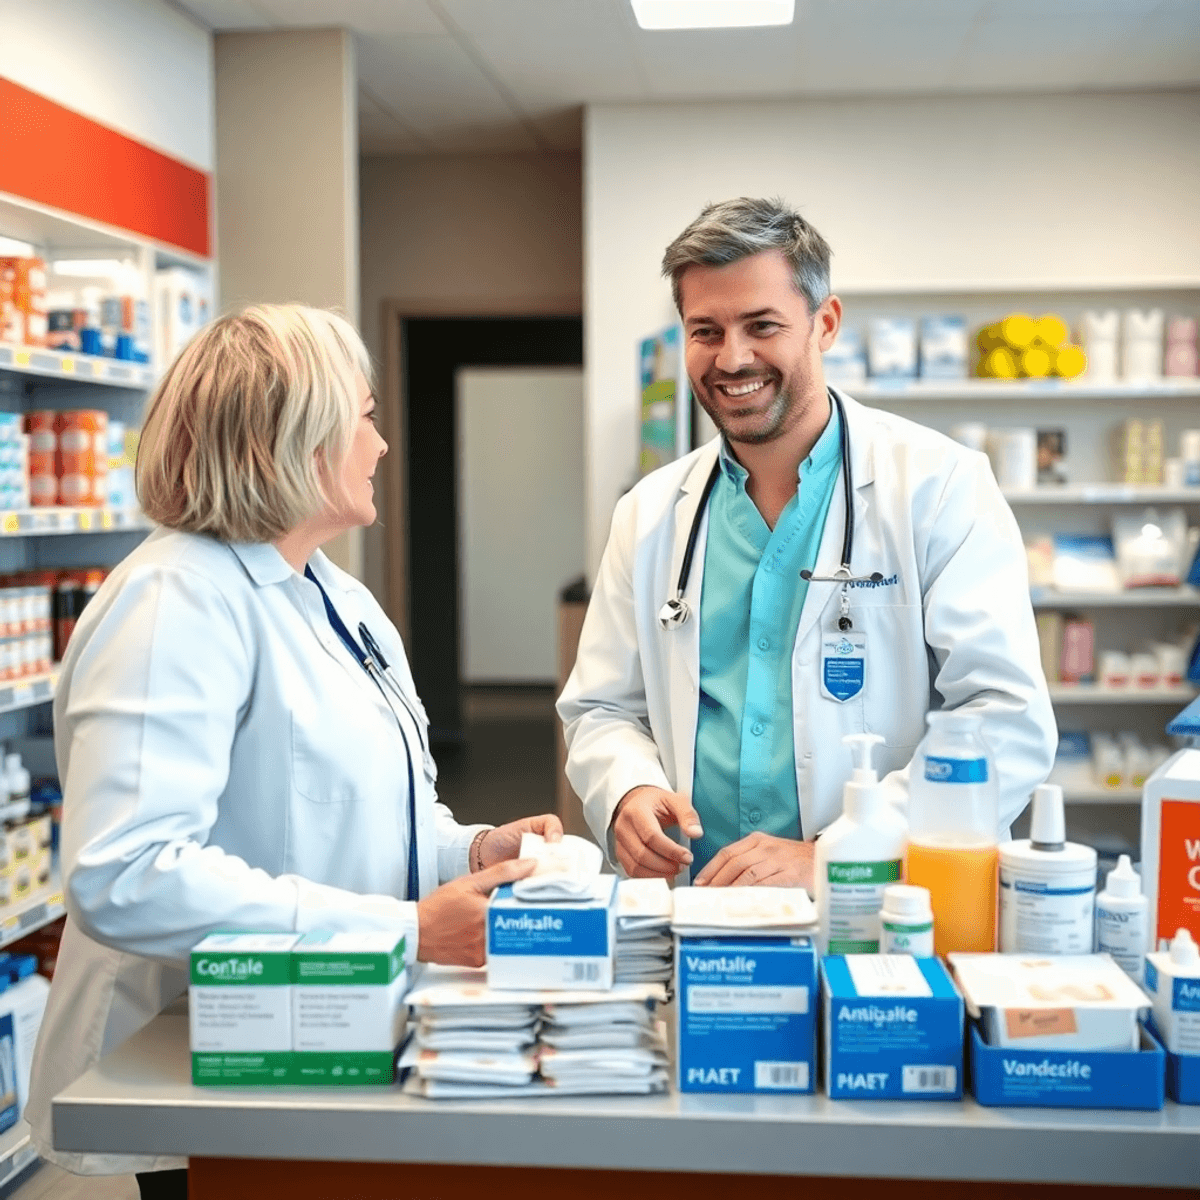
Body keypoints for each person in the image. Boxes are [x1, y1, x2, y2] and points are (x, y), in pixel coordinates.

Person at [26, 305, 561, 1193]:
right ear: (299, 439)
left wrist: (470, 850)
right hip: (207, 1066)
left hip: (323, 1036)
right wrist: (407, 930)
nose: (380, 445)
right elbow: (128, 872)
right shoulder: (175, 603)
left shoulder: (330, 593)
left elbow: (357, 809)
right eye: (364, 415)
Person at [558, 197, 1055, 889]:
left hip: (883, 898)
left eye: (762, 325)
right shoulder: (648, 514)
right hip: (702, 904)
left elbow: (1006, 718)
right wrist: (628, 792)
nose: (732, 358)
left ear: (825, 324)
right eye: (706, 330)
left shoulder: (937, 486)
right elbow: (603, 708)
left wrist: (844, 849)